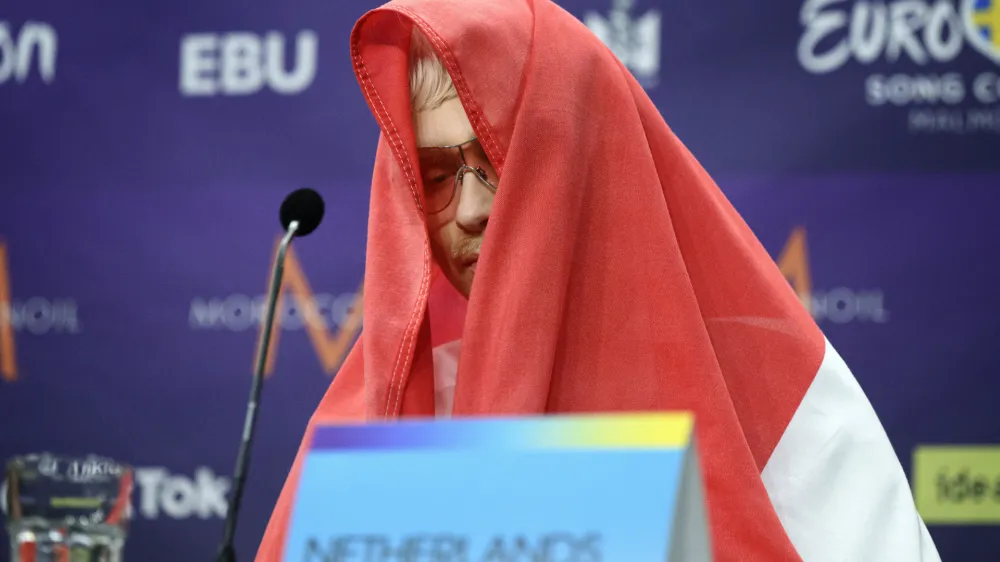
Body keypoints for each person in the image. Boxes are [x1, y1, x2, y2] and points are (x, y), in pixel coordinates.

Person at [256, 1, 941, 560]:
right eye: (435, 176)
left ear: (585, 159)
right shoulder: (381, 412)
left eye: (501, 163)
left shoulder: (780, 401)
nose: (470, 209)